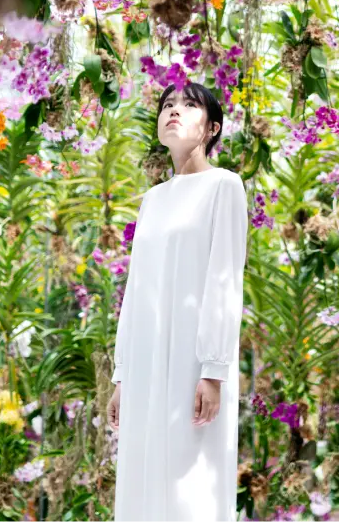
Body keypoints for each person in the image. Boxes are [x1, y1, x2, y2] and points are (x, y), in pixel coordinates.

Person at [108, 82, 248, 522]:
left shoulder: (224, 186)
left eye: (189, 106)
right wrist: (121, 374)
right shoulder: (152, 200)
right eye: (168, 104)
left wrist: (213, 370)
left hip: (194, 362)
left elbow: (224, 279)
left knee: (192, 485)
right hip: (146, 363)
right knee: (142, 477)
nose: (174, 111)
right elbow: (137, 291)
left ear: (212, 129)